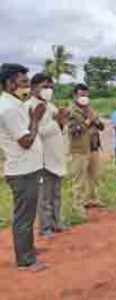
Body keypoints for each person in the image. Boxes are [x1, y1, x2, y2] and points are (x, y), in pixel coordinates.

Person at [0, 63, 47, 272]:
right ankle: (25, 260)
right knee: (24, 217)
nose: (27, 85)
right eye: (23, 81)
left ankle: (27, 249)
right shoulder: (8, 108)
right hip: (22, 171)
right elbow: (26, 141)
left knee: (27, 214)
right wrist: (36, 119)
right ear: (10, 83)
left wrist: (32, 119)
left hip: (28, 168)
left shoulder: (15, 104)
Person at [24, 73, 68, 238]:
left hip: (55, 156)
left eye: (51, 87)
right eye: (45, 86)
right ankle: (45, 227)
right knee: (45, 196)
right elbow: (35, 134)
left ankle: (57, 223)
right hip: (42, 159)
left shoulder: (50, 106)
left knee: (56, 193)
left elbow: (59, 127)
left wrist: (62, 119)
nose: (49, 90)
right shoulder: (30, 107)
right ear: (34, 87)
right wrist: (57, 122)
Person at [68, 84, 105, 219]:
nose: (84, 98)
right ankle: (78, 205)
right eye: (81, 95)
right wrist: (89, 121)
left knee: (94, 175)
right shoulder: (71, 112)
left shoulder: (91, 109)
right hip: (80, 149)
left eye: (86, 95)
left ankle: (92, 199)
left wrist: (96, 120)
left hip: (93, 147)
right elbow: (74, 131)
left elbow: (102, 126)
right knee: (79, 178)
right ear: (75, 96)